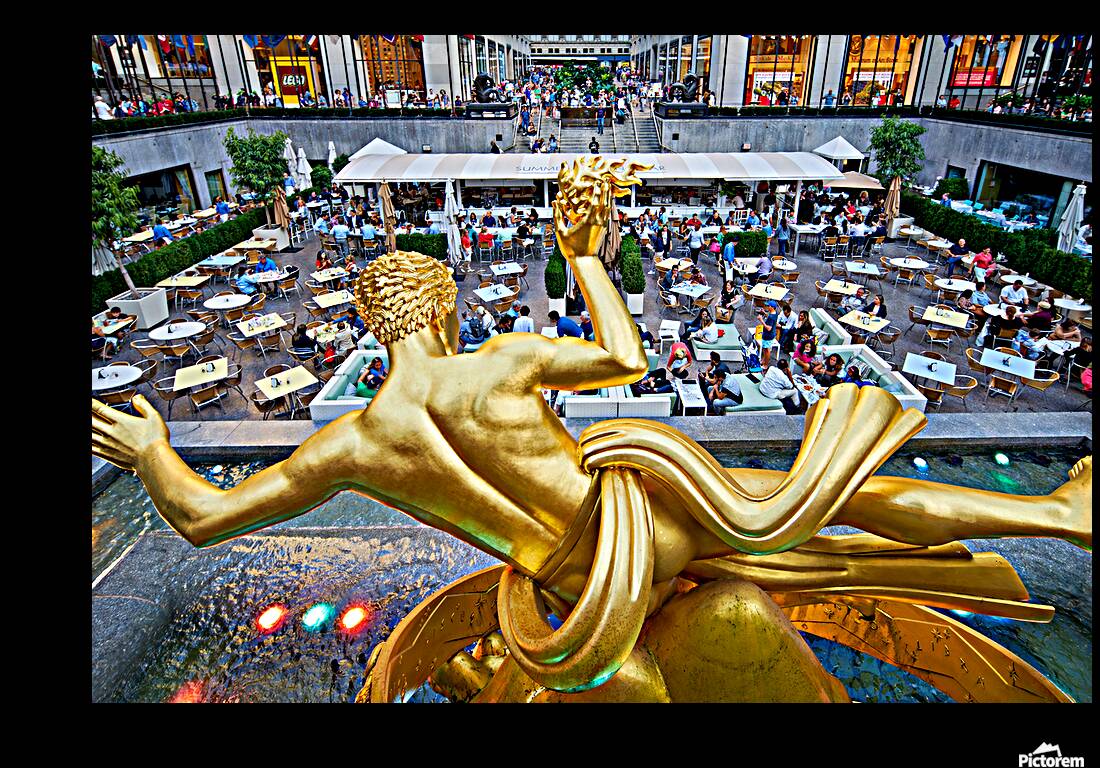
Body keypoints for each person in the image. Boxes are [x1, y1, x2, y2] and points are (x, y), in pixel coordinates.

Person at [93, 160, 1092, 702]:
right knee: (835, 505)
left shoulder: (349, 443)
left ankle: (1052, 517)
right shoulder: (500, 360)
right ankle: (1054, 514)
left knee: (808, 537)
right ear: (442, 310)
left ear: (375, 327)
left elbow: (205, 520)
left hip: (578, 593)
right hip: (647, 527)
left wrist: (151, 454)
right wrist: (582, 256)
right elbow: (626, 357)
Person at [757, 301, 779, 369]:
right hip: (770, 334)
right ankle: (763, 361)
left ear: (772, 307)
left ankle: (766, 365)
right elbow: (770, 317)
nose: (767, 307)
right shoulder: (775, 313)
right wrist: (764, 313)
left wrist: (761, 320)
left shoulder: (771, 317)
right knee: (764, 348)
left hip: (768, 335)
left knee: (767, 350)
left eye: (768, 306)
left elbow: (769, 328)